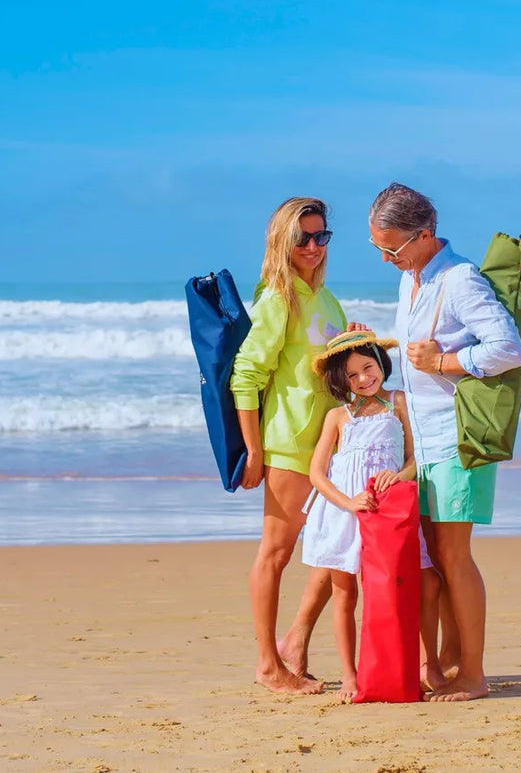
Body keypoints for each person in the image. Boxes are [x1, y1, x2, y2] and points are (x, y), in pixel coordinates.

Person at [367, 183, 521, 702]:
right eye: (379, 251)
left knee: (454, 556)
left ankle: (474, 675)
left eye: (392, 249)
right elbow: (413, 356)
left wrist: (442, 363)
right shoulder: (411, 281)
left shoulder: (460, 280)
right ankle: (452, 663)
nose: (387, 259)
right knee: (435, 554)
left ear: (424, 235)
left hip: (459, 437)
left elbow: (508, 348)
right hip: (425, 440)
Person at [230, 196, 354, 695]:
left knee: (340, 550)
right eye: (302, 237)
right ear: (281, 241)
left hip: (334, 447)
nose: (312, 246)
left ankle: (296, 640)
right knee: (276, 555)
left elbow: (337, 370)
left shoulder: (325, 298)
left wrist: (356, 345)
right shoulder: (278, 299)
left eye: (321, 236)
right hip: (288, 446)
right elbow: (246, 376)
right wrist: (254, 451)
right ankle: (267, 665)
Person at [302, 330, 442, 701]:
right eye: (352, 375)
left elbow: (416, 457)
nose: (363, 379)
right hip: (346, 513)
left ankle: (429, 665)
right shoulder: (338, 416)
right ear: (339, 380)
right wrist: (348, 503)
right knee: (344, 592)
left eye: (368, 368)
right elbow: (317, 473)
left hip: (390, 511)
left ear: (381, 362)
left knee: (419, 583)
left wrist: (397, 477)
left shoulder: (399, 402)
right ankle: (351, 675)